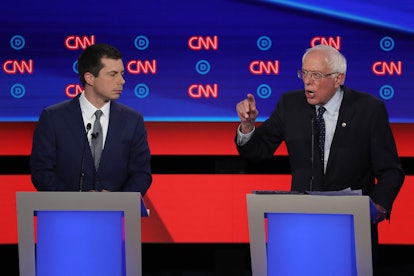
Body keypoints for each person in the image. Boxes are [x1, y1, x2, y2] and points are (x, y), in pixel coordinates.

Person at [235, 44, 404, 273]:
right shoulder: (290, 105)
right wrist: (247, 126)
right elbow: (257, 151)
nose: (307, 81)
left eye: (316, 75)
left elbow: (391, 170)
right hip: (298, 227)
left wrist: (378, 207)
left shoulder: (368, 109)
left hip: (350, 228)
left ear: (338, 79)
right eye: (304, 73)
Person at [30, 43, 152, 194]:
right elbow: (41, 171)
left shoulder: (133, 120)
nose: (122, 81)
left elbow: (141, 174)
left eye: (122, 73)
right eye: (113, 74)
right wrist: (76, 201)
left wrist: (119, 200)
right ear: (90, 78)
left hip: (114, 214)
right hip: (64, 214)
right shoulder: (53, 118)